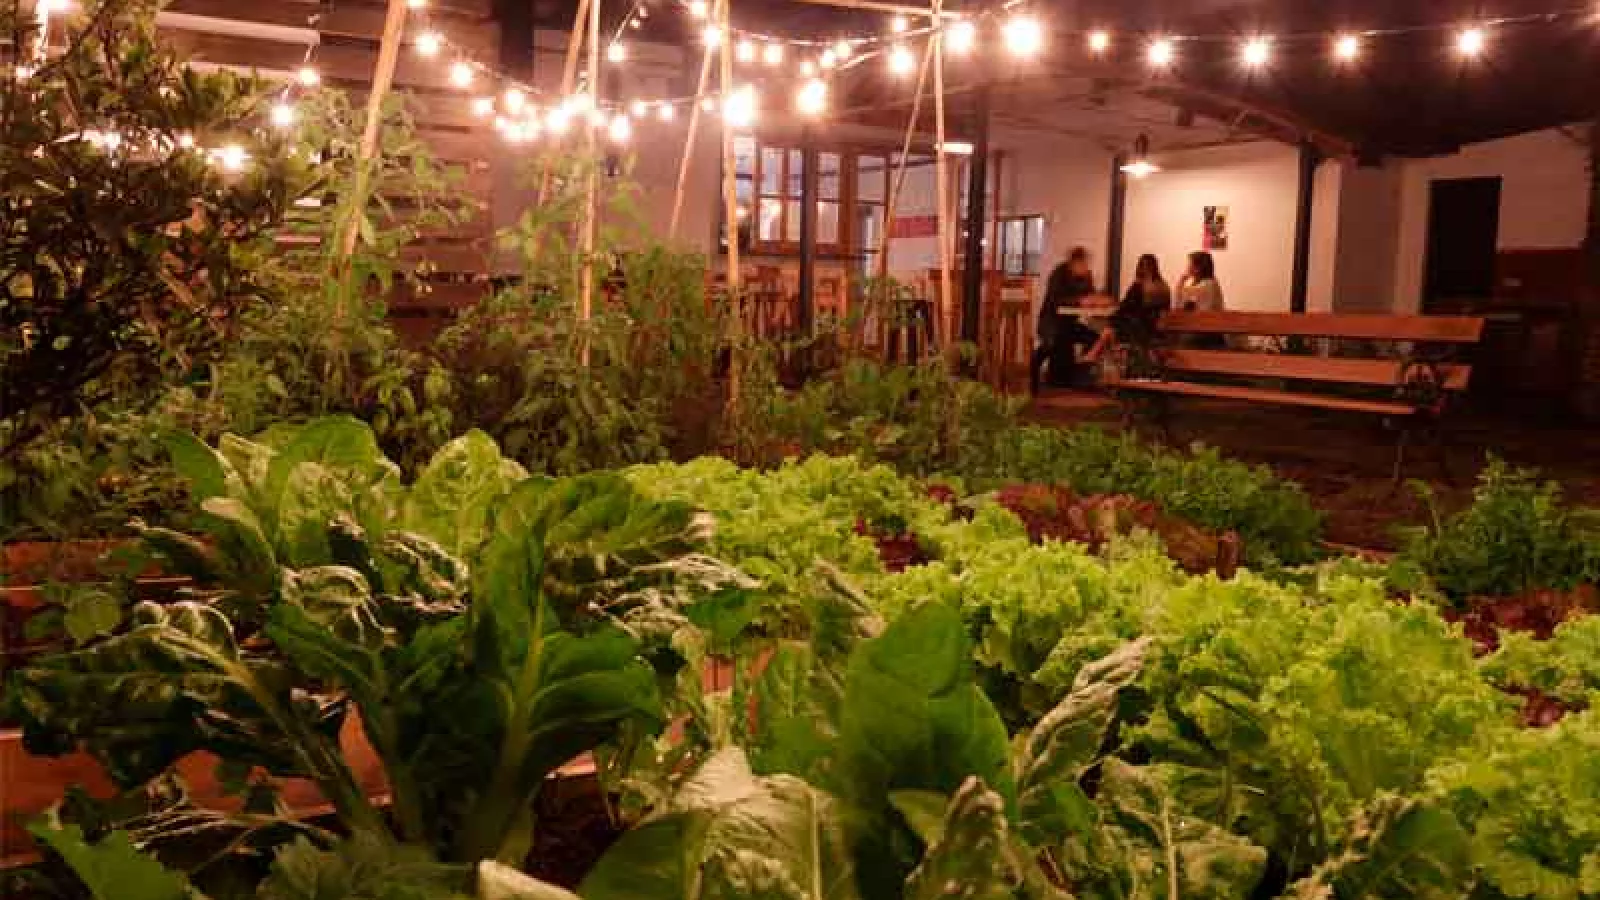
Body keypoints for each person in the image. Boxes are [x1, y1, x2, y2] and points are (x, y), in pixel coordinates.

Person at [1031, 247, 1102, 394]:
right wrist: (1080, 301)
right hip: (1051, 322)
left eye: (1086, 264)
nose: (1085, 267)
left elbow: (1090, 295)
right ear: (1073, 262)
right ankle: (1035, 372)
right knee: (1054, 342)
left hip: (1070, 323)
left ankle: (1082, 377)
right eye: (1082, 263)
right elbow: (1055, 300)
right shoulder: (1059, 274)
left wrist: (1097, 300)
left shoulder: (1086, 276)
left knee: (1095, 338)